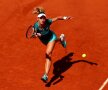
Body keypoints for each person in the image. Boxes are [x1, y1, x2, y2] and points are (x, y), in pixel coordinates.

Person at [32, 7, 71, 83]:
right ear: (37, 19)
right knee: (50, 51)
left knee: (48, 54)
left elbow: (57, 18)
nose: (43, 19)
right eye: (41, 18)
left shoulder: (48, 21)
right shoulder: (35, 26)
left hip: (51, 37)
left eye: (44, 18)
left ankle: (45, 75)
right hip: (45, 41)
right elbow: (33, 35)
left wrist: (65, 17)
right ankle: (61, 39)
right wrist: (36, 35)